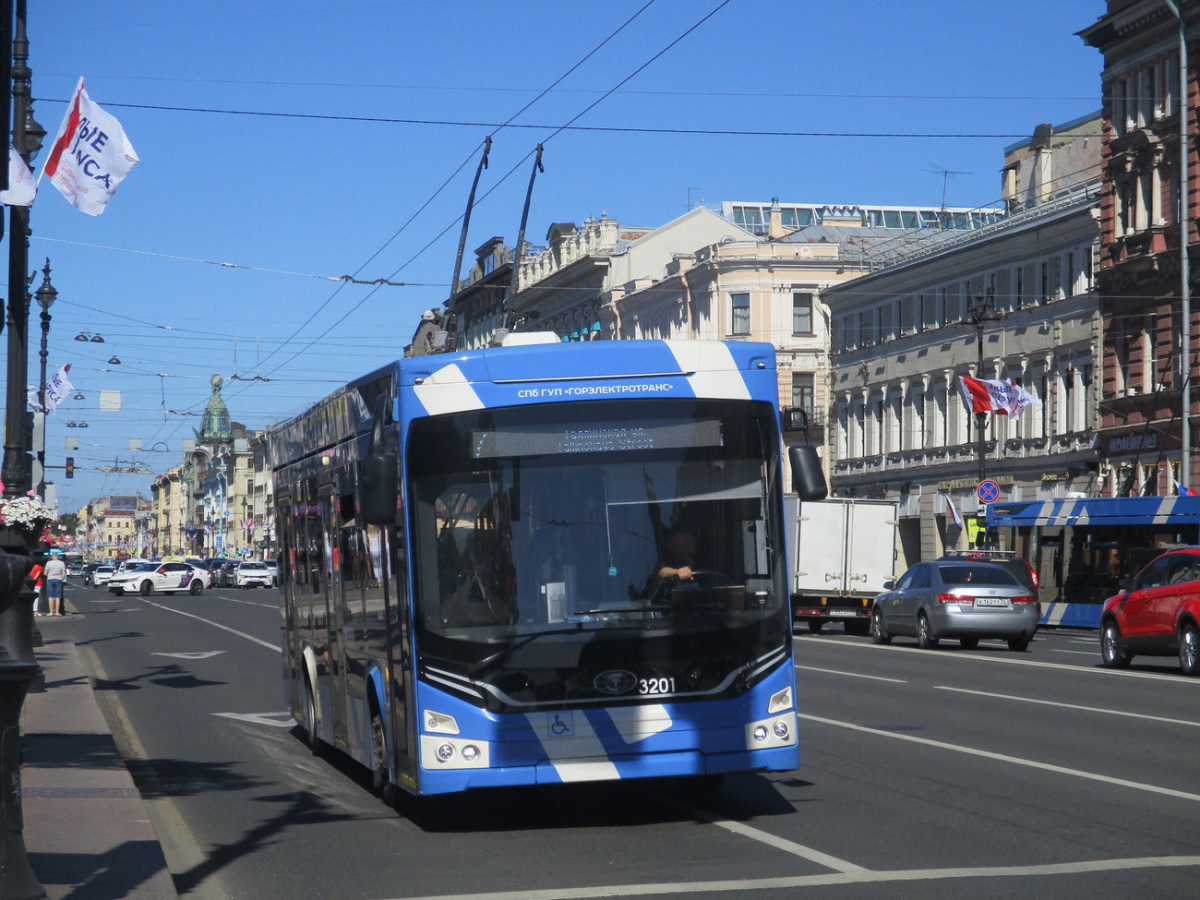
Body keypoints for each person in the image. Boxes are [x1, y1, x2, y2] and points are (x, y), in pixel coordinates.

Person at [44, 550, 68, 617]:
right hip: (58, 579)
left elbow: (45, 573)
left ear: (52, 556)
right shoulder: (61, 563)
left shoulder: (48, 563)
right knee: (58, 596)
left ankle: (51, 612)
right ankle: (57, 612)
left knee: (50, 596)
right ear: (57, 556)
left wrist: (49, 575)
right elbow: (64, 573)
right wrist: (61, 578)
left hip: (50, 579)